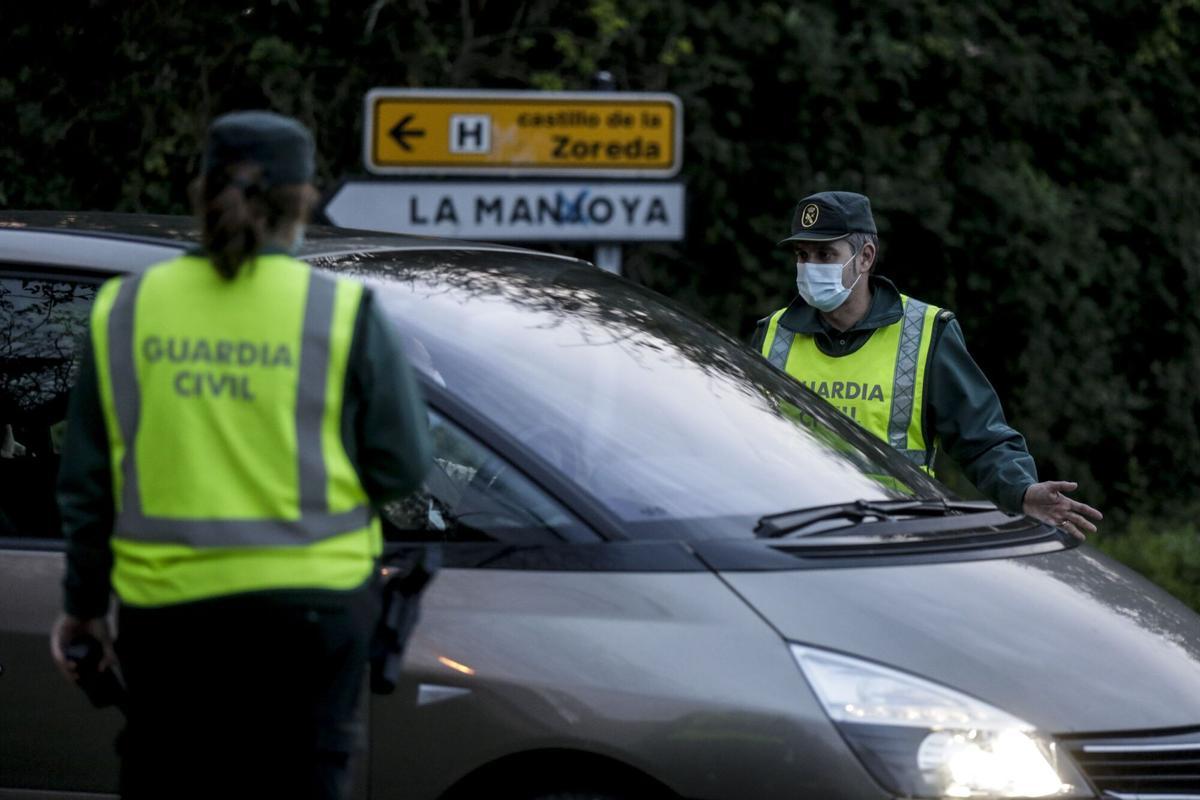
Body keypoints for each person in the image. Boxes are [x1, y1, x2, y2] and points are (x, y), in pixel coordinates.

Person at [49, 110, 432, 800]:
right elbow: (402, 464)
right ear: (305, 198)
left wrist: (82, 609)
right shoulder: (342, 312)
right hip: (314, 620)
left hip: (171, 623)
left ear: (199, 191)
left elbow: (87, 486)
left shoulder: (127, 310)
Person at [753, 190, 1102, 539]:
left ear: (866, 257)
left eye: (825, 254)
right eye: (802, 255)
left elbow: (981, 437)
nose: (810, 267)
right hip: (789, 541)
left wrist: (1020, 491)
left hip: (895, 547)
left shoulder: (926, 333)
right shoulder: (772, 335)